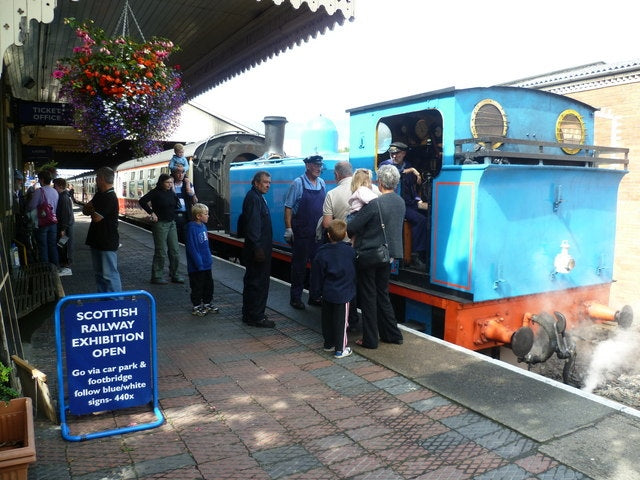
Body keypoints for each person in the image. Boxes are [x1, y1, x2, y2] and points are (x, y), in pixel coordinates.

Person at [347, 164, 405, 349]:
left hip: (370, 255)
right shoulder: (400, 201)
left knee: (368, 297)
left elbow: (352, 228)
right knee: (383, 294)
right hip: (388, 255)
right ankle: (392, 334)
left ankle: (370, 340)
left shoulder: (375, 204)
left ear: (379, 182)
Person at [284, 155, 326, 309]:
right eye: (315, 165)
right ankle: (295, 298)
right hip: (301, 233)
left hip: (317, 234)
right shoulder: (298, 183)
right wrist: (288, 228)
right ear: (308, 166)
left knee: (317, 267)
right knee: (299, 267)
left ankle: (314, 296)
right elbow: (288, 207)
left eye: (320, 166)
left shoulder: (322, 183)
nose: (319, 168)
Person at [310, 219, 356, 359]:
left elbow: (316, 275)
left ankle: (328, 344)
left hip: (327, 292)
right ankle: (340, 349)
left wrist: (316, 293)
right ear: (345, 234)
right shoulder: (350, 252)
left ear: (328, 235)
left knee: (327, 319)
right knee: (341, 322)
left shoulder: (321, 252)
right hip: (343, 294)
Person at [379, 141, 429, 269]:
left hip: (409, 203)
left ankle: (422, 251)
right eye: (392, 153)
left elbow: (412, 188)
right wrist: (412, 170)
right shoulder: (386, 165)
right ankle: (414, 255)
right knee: (421, 221)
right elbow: (395, 173)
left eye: (397, 153)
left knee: (428, 216)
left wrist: (418, 200)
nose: (394, 156)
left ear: (404, 153)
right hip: (395, 204)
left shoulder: (408, 165)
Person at [241, 171, 275, 328]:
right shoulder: (254, 199)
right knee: (258, 283)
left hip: (258, 247)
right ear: (256, 183)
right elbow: (254, 224)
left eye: (269, 182)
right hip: (258, 249)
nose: (268, 185)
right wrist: (257, 248)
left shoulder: (256, 197)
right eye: (265, 182)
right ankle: (256, 316)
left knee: (254, 281)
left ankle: (251, 313)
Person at [138, 174, 184, 285]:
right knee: (161, 251)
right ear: (161, 182)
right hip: (160, 224)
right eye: (167, 182)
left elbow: (177, 205)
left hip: (171, 223)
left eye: (171, 183)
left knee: (175, 250)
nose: (170, 184)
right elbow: (142, 201)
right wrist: (151, 213)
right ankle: (157, 276)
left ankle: (175, 274)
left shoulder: (171, 193)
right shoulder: (155, 192)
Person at [82, 167, 122, 292]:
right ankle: (103, 302)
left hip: (107, 241)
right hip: (96, 240)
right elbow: (85, 210)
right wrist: (91, 208)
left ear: (101, 179)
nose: (95, 180)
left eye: (97, 178)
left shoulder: (110, 197)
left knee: (109, 274)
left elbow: (96, 218)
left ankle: (116, 302)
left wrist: (92, 209)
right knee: (99, 274)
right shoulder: (100, 194)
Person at [186, 203, 218, 317]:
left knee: (209, 285)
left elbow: (206, 246)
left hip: (206, 264)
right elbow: (192, 248)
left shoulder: (203, 227)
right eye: (206, 214)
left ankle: (207, 303)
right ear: (199, 216)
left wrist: (208, 259)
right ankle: (196, 306)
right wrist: (198, 263)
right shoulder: (192, 228)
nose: (208, 216)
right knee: (197, 286)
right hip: (197, 266)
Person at [27, 169, 59, 268]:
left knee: (43, 246)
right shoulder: (55, 191)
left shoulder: (39, 192)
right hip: (53, 222)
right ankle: (55, 267)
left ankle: (45, 270)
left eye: (39, 179)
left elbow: (31, 206)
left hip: (42, 223)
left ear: (42, 180)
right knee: (52, 245)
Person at [53, 177, 74, 275]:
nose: (54, 187)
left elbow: (65, 214)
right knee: (62, 246)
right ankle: (65, 266)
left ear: (60, 186)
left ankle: (66, 267)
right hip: (65, 227)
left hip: (65, 229)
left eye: (55, 186)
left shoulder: (64, 197)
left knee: (63, 246)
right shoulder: (64, 196)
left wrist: (63, 229)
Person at [171, 165, 197, 243]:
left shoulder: (188, 185)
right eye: (178, 172)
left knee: (185, 238)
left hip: (186, 216)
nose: (180, 175)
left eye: (182, 172)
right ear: (174, 173)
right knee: (174, 239)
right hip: (173, 216)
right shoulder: (170, 184)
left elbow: (195, 201)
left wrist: (192, 194)